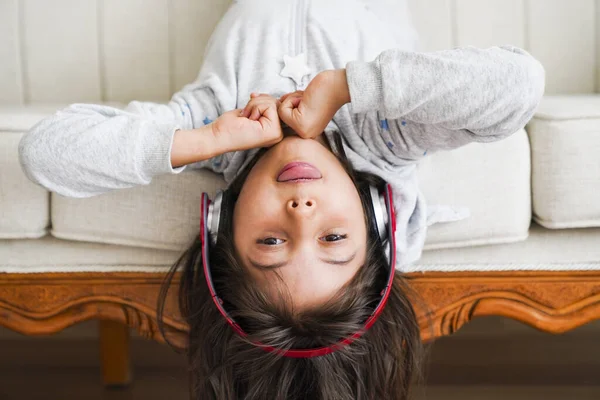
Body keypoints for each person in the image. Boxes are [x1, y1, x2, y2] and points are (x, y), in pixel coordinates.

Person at [18, 0, 546, 398]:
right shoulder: (386, 135)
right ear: (373, 221)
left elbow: (45, 154)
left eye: (272, 241)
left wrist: (206, 139)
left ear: (223, 226)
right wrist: (347, 88)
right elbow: (519, 83)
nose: (301, 213)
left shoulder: (215, 115)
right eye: (333, 239)